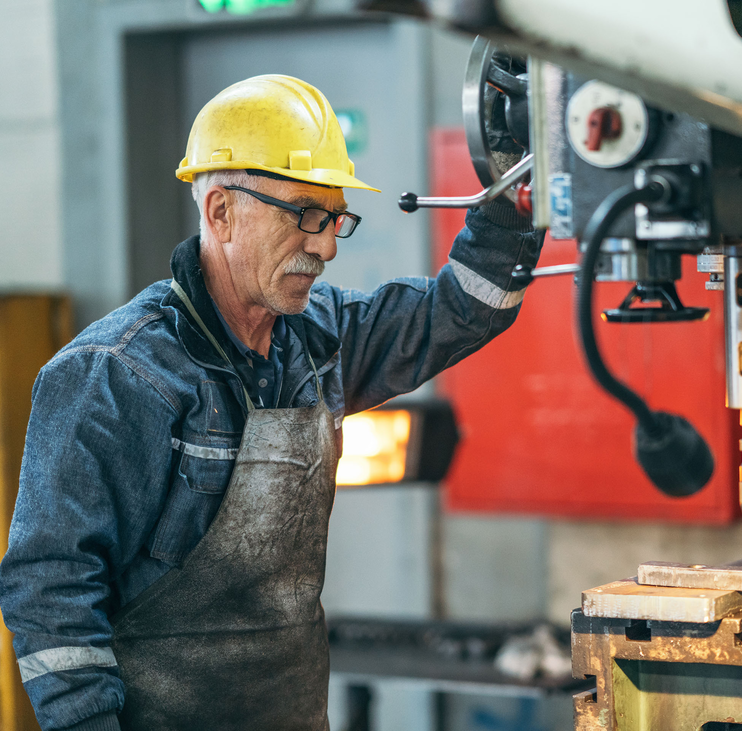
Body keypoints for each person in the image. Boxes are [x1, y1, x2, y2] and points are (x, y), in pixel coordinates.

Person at [0, 74, 540, 731]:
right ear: (220, 211)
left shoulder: (321, 340)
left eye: (336, 218)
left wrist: (517, 184)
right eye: (304, 216)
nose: (326, 245)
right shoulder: (113, 375)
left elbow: (461, 310)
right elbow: (49, 589)